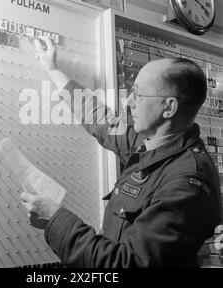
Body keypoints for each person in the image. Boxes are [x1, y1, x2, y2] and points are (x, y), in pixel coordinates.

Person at [20, 36, 222, 267]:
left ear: (169, 107)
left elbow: (126, 264)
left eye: (138, 94)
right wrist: (53, 69)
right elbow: (100, 120)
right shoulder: (152, 145)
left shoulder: (186, 184)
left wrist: (55, 220)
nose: (128, 101)